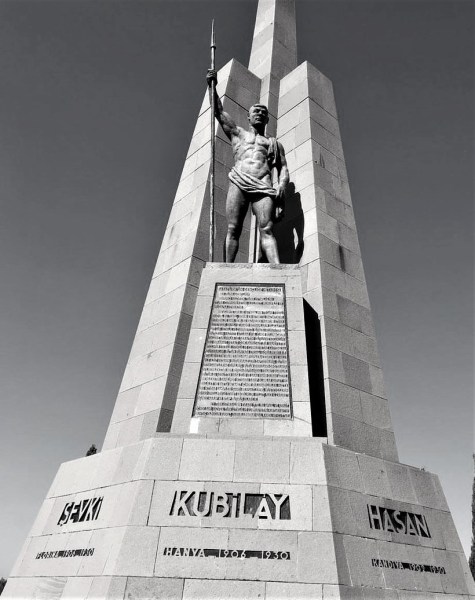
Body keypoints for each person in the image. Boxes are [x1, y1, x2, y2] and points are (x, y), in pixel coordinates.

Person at [206, 69, 289, 263]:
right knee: (233, 228)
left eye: (263, 113)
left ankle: (277, 269)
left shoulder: (274, 143)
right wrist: (212, 86)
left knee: (267, 229)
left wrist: (282, 185)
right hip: (239, 181)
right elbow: (218, 112)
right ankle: (227, 268)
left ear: (267, 119)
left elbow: (283, 168)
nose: (260, 114)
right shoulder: (238, 134)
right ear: (248, 117)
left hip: (264, 185)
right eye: (256, 112)